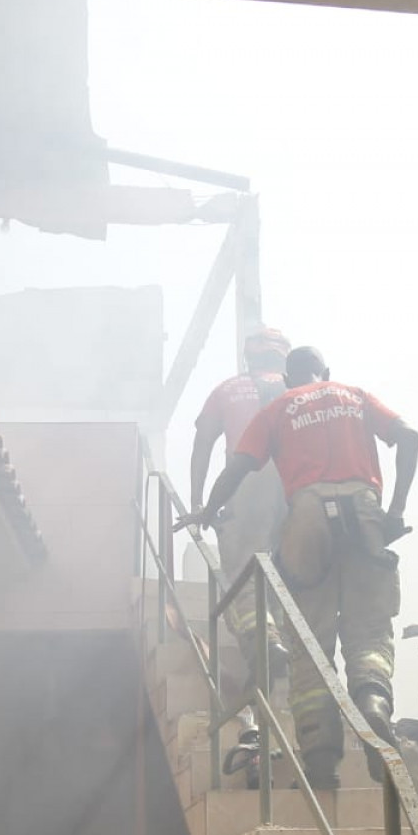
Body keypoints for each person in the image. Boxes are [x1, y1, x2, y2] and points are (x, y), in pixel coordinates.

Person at [186, 346, 418, 789]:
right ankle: (372, 701)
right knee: (369, 630)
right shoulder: (354, 395)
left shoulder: (278, 408)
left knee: (309, 641)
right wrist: (395, 511)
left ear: (290, 380)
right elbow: (409, 436)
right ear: (325, 371)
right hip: (364, 510)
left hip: (308, 514)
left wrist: (206, 510)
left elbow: (237, 467)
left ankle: (319, 758)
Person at [188, 328, 292, 779]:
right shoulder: (295, 389)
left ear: (247, 358)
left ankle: (264, 640)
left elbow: (202, 442)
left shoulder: (228, 389)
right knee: (285, 576)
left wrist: (198, 505)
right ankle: (283, 643)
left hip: (244, 480)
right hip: (292, 486)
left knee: (239, 578)